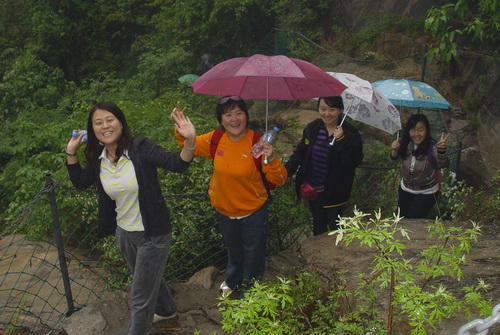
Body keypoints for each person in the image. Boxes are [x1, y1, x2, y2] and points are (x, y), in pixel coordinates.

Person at [65, 101, 196, 335]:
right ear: (92, 129)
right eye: (98, 122)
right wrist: (71, 152)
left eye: (110, 120)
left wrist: (190, 140)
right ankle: (166, 309)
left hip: (152, 234)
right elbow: (80, 182)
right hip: (125, 234)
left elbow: (178, 164)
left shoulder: (140, 147)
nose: (105, 126)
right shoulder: (99, 158)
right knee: (144, 279)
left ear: (121, 123)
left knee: (139, 298)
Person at [171, 96, 287, 298]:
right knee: (234, 250)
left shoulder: (257, 143)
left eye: (239, 113)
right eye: (228, 114)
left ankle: (250, 291)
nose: (234, 119)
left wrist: (272, 158)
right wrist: (182, 129)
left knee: (253, 254)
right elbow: (188, 145)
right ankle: (233, 280)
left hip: (253, 211)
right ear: (221, 120)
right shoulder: (215, 139)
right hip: (224, 210)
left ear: (246, 116)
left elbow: (279, 180)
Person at [285, 96, 364, 236]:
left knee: (335, 228)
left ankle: (335, 256)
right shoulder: (313, 128)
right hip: (313, 190)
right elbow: (300, 153)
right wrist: (284, 171)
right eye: (323, 109)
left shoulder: (350, 133)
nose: (326, 113)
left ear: (340, 110)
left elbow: (354, 161)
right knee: (318, 224)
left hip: (335, 192)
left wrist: (341, 140)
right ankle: (316, 256)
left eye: (332, 110)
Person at [390, 113, 449, 218]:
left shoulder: (432, 147)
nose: (416, 134)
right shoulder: (405, 144)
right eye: (412, 130)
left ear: (427, 130)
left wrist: (441, 151)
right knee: (400, 219)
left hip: (427, 192)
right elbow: (393, 161)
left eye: (420, 130)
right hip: (406, 189)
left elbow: (443, 165)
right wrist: (395, 150)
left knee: (412, 220)